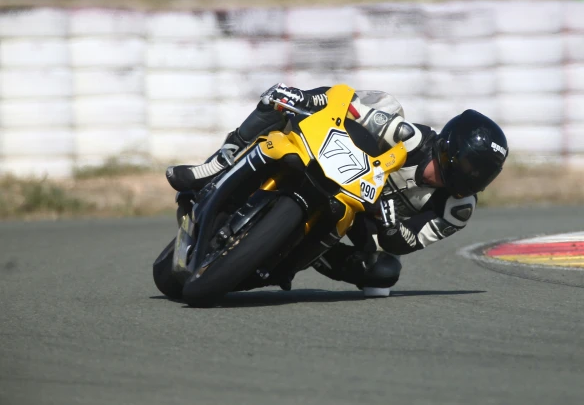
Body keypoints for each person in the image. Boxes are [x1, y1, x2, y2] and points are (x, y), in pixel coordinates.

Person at [166, 83, 508, 297]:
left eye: (479, 175)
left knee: (382, 274)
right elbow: (347, 104)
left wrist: (389, 223)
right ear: (447, 147)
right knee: (279, 103)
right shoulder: (410, 136)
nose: (467, 180)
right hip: (336, 168)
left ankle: (292, 256)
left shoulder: (457, 209)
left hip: (364, 222)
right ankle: (215, 165)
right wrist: (304, 97)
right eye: (465, 167)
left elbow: (407, 242)